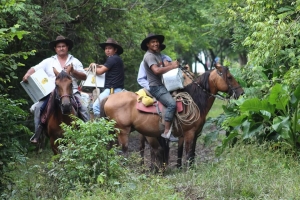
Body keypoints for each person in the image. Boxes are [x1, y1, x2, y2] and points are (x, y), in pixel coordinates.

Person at [22, 35, 89, 143]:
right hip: (52, 92)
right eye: (59, 46)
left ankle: (89, 133)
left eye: (63, 46)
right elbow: (34, 68)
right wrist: (27, 75)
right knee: (39, 107)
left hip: (72, 91)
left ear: (67, 47)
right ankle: (37, 134)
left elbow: (84, 76)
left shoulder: (75, 61)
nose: (61, 48)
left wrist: (73, 71)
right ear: (55, 48)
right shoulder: (49, 61)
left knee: (84, 108)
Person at [141, 33, 179, 140]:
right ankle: (167, 132)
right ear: (148, 44)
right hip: (156, 87)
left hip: (162, 85)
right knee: (172, 104)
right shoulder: (149, 56)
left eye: (157, 41)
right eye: (153, 42)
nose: (156, 44)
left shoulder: (157, 54)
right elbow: (156, 71)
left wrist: (168, 64)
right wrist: (172, 67)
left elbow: (161, 67)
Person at [90, 38, 125, 118]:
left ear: (115, 50)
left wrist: (92, 68)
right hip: (118, 89)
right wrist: (96, 66)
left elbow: (100, 71)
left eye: (109, 48)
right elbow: (104, 66)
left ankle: (100, 127)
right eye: (106, 48)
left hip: (112, 90)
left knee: (95, 107)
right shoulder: (116, 58)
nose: (107, 50)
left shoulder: (112, 59)